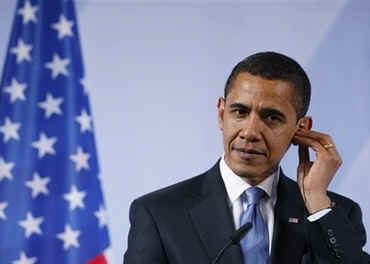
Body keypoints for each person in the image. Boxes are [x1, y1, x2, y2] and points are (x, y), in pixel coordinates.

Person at [123, 52, 370, 263]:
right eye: (239, 112)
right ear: (221, 114)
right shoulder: (159, 214)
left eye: (271, 117)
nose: (250, 132)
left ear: (301, 129)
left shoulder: (335, 215)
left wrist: (316, 200)